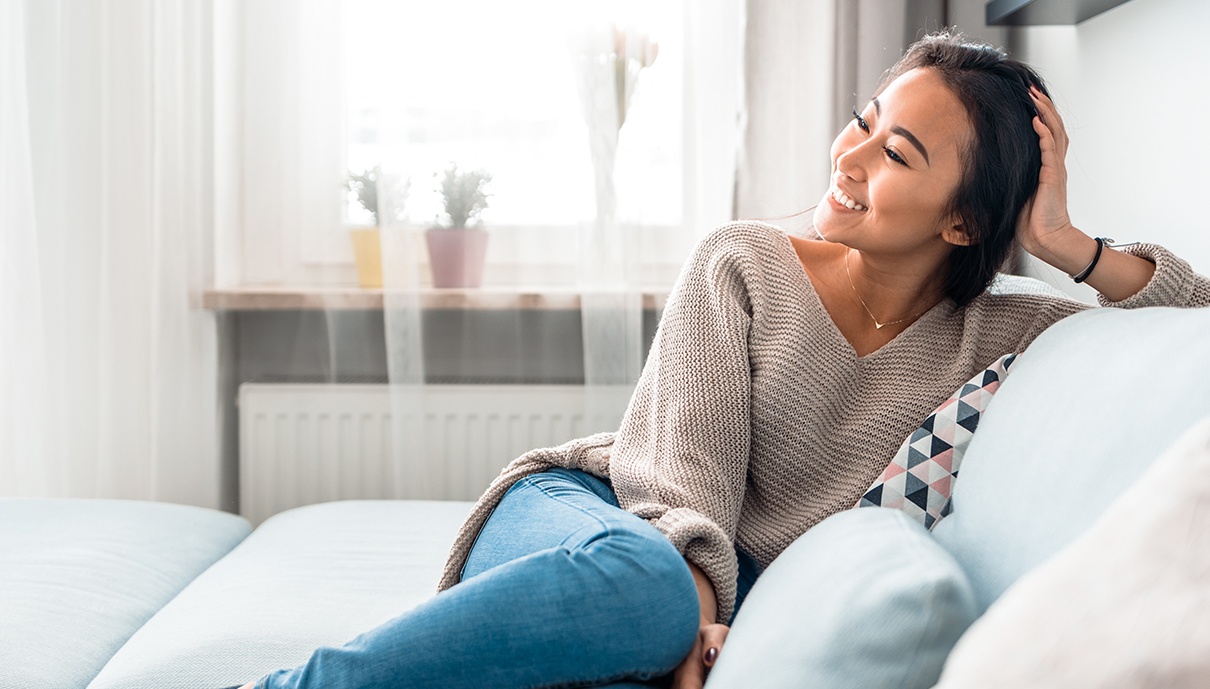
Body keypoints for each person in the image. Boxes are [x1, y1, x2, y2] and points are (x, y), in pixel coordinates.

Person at [230, 31, 1210, 689]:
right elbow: (671, 484)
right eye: (863, 120)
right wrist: (698, 600)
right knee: (648, 581)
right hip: (594, 517)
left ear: (962, 219)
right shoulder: (742, 260)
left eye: (897, 152)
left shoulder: (998, 335)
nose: (851, 154)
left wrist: (1066, 240)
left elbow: (1194, 315)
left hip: (674, 593)